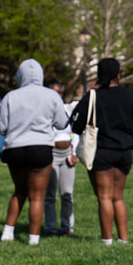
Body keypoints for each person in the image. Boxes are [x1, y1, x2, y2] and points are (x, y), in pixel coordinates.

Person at [0, 59, 68, 245]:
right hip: (41, 147)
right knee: (37, 196)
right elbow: (62, 123)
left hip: (15, 149)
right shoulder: (51, 95)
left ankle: (7, 232)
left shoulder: (11, 96)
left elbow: (1, 127)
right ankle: (33, 238)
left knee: (19, 191)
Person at [71, 58, 133, 245]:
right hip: (125, 151)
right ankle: (123, 239)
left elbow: (76, 124)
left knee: (104, 196)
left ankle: (107, 240)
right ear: (118, 74)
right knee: (118, 197)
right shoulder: (129, 95)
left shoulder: (93, 96)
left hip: (102, 150)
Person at [43, 78, 79, 236]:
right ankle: (50, 227)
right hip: (51, 153)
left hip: (67, 155)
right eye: (53, 92)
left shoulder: (68, 109)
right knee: (50, 194)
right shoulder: (43, 110)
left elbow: (76, 132)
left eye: (59, 92)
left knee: (67, 193)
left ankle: (67, 227)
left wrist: (74, 152)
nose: (56, 95)